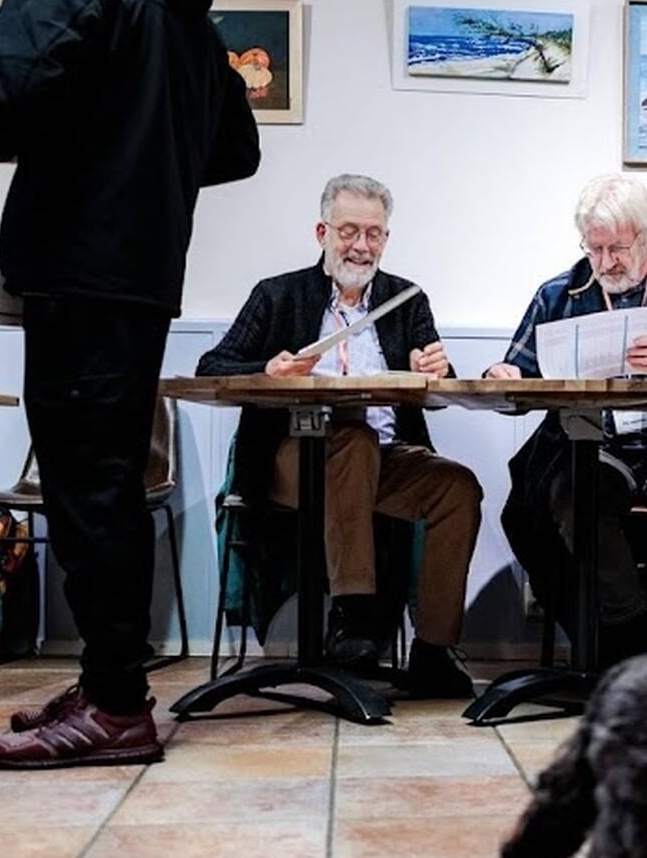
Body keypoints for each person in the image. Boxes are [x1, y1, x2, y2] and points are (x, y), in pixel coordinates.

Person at [0, 0, 259, 769]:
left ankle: (116, 707)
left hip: (73, 263)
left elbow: (1, 114)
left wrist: (97, 143)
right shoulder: (187, 19)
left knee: (85, 489)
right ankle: (110, 686)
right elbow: (237, 147)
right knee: (109, 482)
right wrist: (144, 155)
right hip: (143, 274)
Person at [195, 174, 481, 699]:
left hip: (386, 457)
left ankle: (434, 652)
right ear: (322, 231)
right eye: (349, 231)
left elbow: (436, 382)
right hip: (291, 460)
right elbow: (210, 365)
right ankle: (355, 618)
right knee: (351, 442)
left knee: (457, 487)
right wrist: (269, 368)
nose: (361, 245)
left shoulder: (406, 300)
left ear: (386, 239)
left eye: (374, 234)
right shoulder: (278, 294)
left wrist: (433, 365)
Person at [489, 175, 647, 665]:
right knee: (570, 506)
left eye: (618, 249)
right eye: (594, 248)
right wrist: (501, 373)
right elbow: (515, 374)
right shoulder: (560, 293)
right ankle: (636, 642)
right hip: (590, 445)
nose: (604, 263)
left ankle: (619, 644)